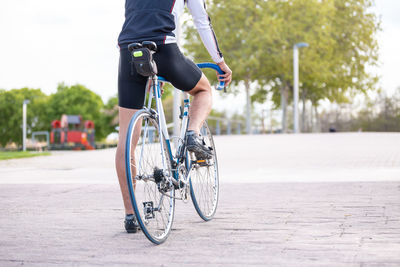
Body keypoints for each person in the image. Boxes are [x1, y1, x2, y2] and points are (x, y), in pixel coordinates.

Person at [115, 0, 232, 233]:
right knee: (203, 90)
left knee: (126, 137)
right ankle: (192, 133)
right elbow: (202, 22)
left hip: (129, 50)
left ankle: (130, 216)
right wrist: (220, 62)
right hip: (164, 48)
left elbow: (135, 16)